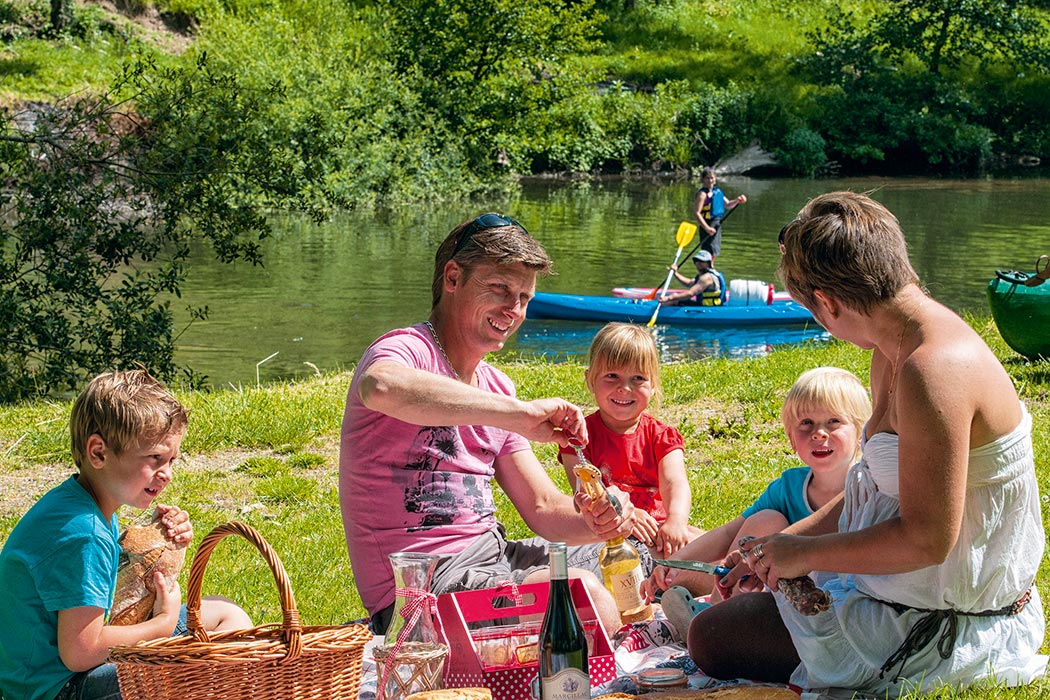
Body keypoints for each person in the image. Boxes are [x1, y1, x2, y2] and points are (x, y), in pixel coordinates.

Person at [687, 192, 1046, 696]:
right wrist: (781, 547)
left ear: (828, 301)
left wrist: (804, 553)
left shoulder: (935, 368)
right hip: (905, 597)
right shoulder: (894, 350)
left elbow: (928, 537)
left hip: (944, 626)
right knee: (725, 623)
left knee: (713, 636)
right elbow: (875, 488)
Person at [339, 213, 637, 636]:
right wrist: (518, 413)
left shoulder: (496, 384)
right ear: (453, 278)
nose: (513, 310)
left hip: (494, 560)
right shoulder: (408, 349)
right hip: (422, 594)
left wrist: (596, 519)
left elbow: (543, 509)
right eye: (499, 288)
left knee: (637, 558)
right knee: (581, 600)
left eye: (524, 298)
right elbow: (381, 386)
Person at [0, 370, 251, 700]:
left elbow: (108, 586)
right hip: (55, 689)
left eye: (172, 460)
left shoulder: (77, 504)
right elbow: (80, 651)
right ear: (99, 452)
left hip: (46, 675)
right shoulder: (83, 535)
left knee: (225, 613)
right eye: (155, 458)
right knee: (199, 665)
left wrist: (163, 543)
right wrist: (162, 624)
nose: (167, 475)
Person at [638, 366, 871, 640]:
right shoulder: (789, 486)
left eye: (834, 421)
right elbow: (728, 533)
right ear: (791, 438)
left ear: (860, 433)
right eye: (806, 423)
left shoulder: (867, 487)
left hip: (843, 598)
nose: (819, 433)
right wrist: (675, 562)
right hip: (781, 594)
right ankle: (715, 614)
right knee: (764, 521)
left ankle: (719, 626)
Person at [558, 323, 703, 559]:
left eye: (638, 378)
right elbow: (585, 494)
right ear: (590, 379)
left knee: (715, 546)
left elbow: (674, 483)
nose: (624, 388)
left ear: (653, 386)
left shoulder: (662, 436)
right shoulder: (577, 438)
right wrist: (627, 513)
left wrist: (676, 521)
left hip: (660, 531)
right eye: (612, 376)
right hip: (608, 533)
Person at [693, 167, 746, 260]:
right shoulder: (702, 194)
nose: (710, 180)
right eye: (707, 178)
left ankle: (711, 268)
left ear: (715, 179)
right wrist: (707, 228)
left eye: (712, 178)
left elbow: (728, 204)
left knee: (714, 250)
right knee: (707, 251)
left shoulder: (717, 191)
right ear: (703, 179)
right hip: (707, 224)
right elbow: (697, 213)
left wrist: (738, 200)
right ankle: (707, 269)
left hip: (716, 223)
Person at [661, 250, 725, 306]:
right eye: (697, 260)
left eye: (702, 261)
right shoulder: (706, 275)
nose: (698, 263)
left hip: (708, 309)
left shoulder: (707, 278)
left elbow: (691, 293)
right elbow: (689, 283)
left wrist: (670, 297)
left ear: (708, 263)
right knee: (674, 297)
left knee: (674, 300)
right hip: (705, 305)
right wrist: (675, 273)